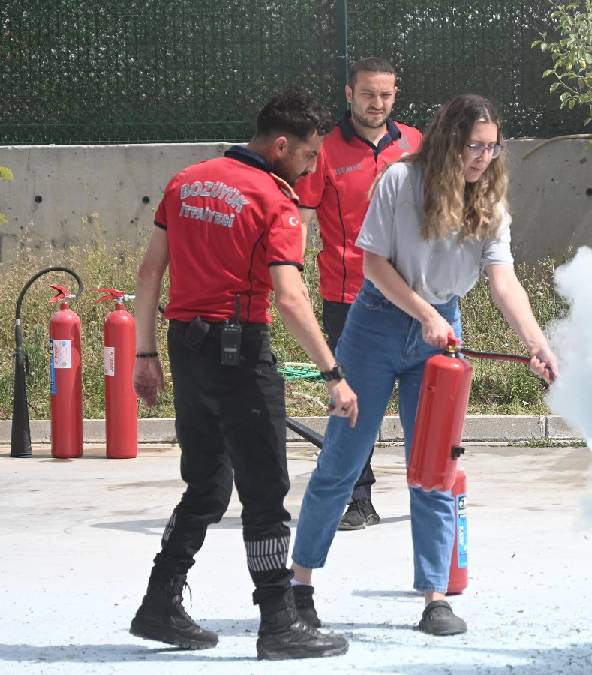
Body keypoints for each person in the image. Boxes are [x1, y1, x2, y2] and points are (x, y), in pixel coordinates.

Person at [289, 94, 558, 637]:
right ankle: (299, 587)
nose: (483, 157)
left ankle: (435, 596)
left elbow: (503, 282)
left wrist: (536, 341)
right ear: (448, 141)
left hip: (439, 334)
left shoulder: (490, 200)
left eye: (491, 147)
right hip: (376, 326)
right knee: (341, 462)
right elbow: (374, 264)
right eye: (473, 146)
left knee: (434, 467)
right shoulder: (400, 182)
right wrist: (424, 312)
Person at [129, 86, 357, 660]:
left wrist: (144, 354)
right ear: (281, 145)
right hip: (240, 348)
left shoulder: (186, 181)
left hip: (185, 346)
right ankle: (278, 622)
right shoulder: (274, 200)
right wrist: (333, 373)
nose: (310, 170)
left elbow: (149, 272)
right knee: (265, 489)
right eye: (307, 157)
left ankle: (160, 602)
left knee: (205, 484)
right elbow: (290, 297)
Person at [295, 57, 423, 532]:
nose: (378, 103)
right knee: (355, 401)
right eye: (369, 94)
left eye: (386, 95)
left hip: (412, 295)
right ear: (349, 94)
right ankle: (359, 497)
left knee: (425, 397)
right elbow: (304, 217)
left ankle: (431, 491)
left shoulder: (415, 143)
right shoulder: (324, 150)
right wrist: (292, 275)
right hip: (348, 297)